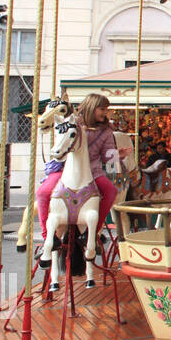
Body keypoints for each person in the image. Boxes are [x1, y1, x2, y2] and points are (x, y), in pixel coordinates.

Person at [35, 94, 126, 239]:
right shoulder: (73, 122)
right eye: (102, 109)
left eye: (106, 109)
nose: (105, 112)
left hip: (92, 171)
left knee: (111, 191)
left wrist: (117, 155)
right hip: (65, 168)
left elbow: (105, 155)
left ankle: (94, 232)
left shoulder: (106, 130)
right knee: (42, 192)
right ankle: (47, 235)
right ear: (92, 107)